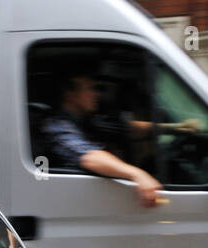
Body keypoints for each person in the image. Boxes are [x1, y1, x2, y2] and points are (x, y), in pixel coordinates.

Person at [40, 70, 170, 208]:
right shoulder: (55, 125)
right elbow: (88, 156)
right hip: (74, 202)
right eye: (91, 89)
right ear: (70, 94)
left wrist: (175, 128)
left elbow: (130, 128)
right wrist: (138, 175)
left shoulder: (88, 120)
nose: (96, 94)